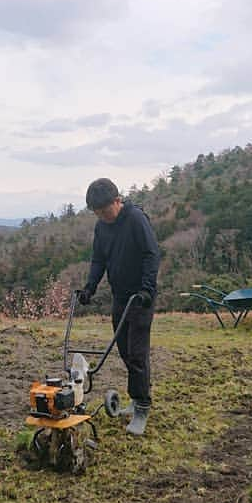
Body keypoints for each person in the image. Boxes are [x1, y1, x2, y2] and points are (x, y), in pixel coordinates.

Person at [77, 178, 160, 436]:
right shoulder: (102, 228)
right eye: (97, 213)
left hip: (140, 297)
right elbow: (99, 259)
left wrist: (147, 289)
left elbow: (151, 254)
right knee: (124, 350)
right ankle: (136, 399)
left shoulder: (135, 219)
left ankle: (142, 407)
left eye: (105, 211)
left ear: (117, 201)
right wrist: (90, 287)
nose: (103, 216)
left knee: (137, 353)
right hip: (120, 296)